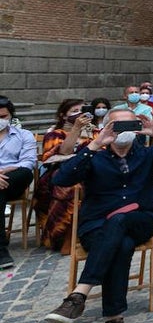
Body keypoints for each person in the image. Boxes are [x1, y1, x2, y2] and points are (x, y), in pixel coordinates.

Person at [43, 108, 153, 323]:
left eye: (129, 126)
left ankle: (79, 293)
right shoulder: (93, 156)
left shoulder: (149, 154)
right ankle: (114, 321)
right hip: (97, 226)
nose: (124, 131)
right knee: (121, 245)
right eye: (117, 126)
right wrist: (95, 145)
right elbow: (61, 179)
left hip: (140, 220)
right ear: (105, 127)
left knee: (121, 220)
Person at [33, 99, 96, 253]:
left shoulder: (94, 132)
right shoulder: (54, 133)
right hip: (60, 172)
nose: (79, 113)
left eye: (82, 109)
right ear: (63, 115)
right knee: (69, 187)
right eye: (75, 110)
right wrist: (76, 129)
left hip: (92, 171)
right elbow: (64, 152)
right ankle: (65, 235)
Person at [0, 96, 37, 269]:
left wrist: (7, 170)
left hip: (14, 176)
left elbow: (28, 161)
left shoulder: (24, 135)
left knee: (24, 172)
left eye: (3, 116)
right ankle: (1, 249)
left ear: (10, 116)